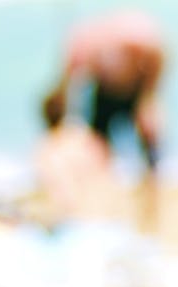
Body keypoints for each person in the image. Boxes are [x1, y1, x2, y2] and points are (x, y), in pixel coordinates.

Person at [45, 9, 165, 231]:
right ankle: (144, 219)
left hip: (115, 87)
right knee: (148, 159)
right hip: (130, 82)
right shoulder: (128, 34)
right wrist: (149, 96)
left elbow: (68, 86)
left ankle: (103, 213)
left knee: (100, 153)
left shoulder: (82, 41)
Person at [34, 94, 113, 226]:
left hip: (71, 217)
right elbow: (105, 159)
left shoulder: (45, 148)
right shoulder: (81, 137)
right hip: (100, 215)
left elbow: (52, 187)